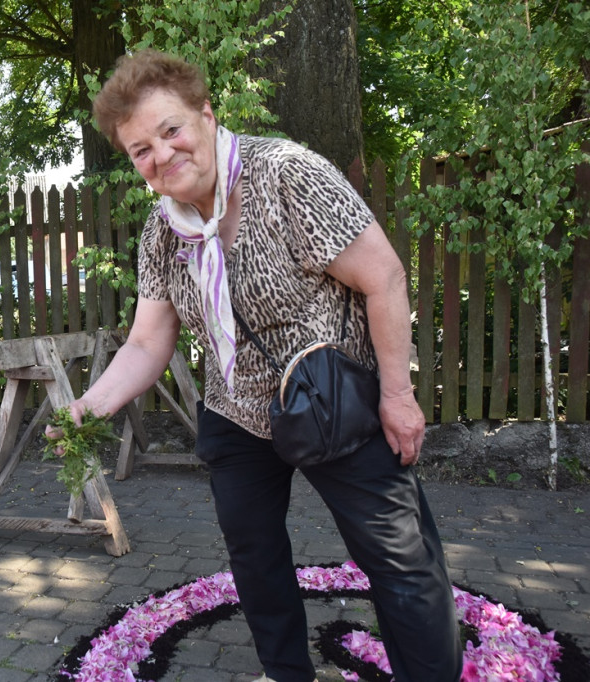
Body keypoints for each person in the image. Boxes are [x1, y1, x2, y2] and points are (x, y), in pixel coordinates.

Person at [51, 50, 462, 682]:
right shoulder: (163, 233)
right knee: (255, 557)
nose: (161, 156)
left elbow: (384, 279)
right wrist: (85, 409)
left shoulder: (288, 176)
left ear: (207, 117)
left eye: (171, 131)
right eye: (140, 150)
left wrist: (398, 395)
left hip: (333, 403)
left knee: (400, 561)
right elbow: (145, 344)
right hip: (236, 410)